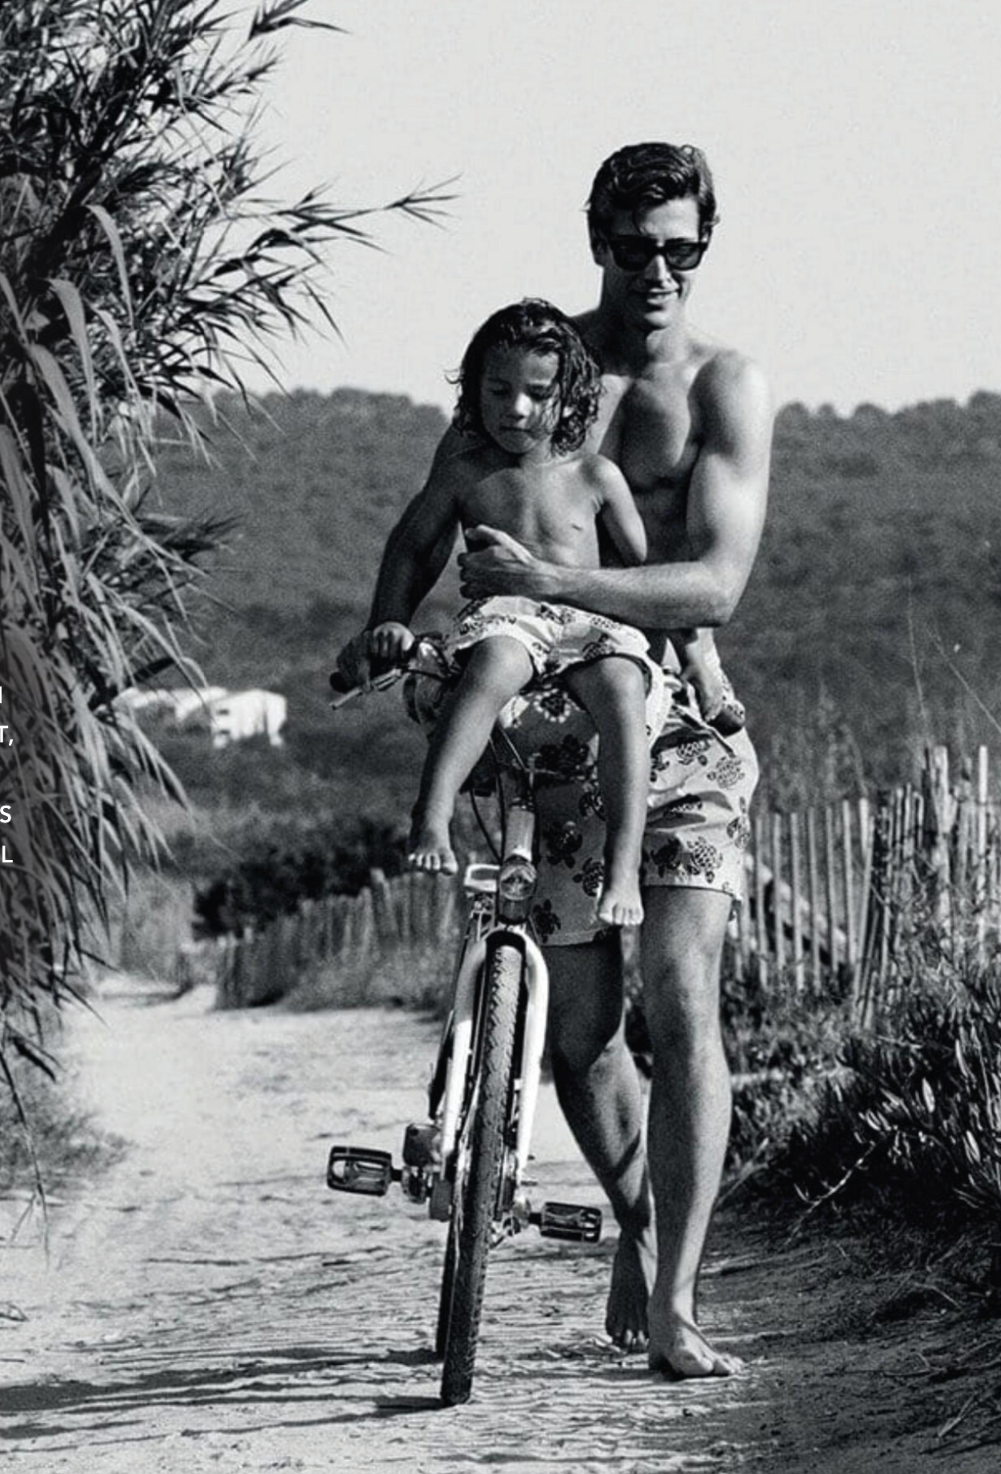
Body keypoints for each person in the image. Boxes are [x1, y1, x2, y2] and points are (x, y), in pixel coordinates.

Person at [339, 141, 773, 1380]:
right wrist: (393, 629)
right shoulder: (534, 378)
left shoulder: (724, 390)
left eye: (682, 251)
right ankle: (637, 1224)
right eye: (636, 248)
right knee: (577, 1033)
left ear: (704, 249)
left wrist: (554, 586)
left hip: (678, 721)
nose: (658, 272)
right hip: (544, 736)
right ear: (597, 237)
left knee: (679, 995)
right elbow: (434, 520)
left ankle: (680, 1300)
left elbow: (715, 583)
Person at [361, 298, 667, 927]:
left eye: (537, 392)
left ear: (571, 396)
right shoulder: (464, 473)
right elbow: (414, 542)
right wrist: (387, 620)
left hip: (585, 613)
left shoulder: (596, 474)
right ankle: (433, 813)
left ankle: (624, 864)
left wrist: (680, 652)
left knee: (621, 687)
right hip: (505, 616)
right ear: (473, 389)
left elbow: (644, 575)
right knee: (495, 663)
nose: (516, 408)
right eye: (498, 390)